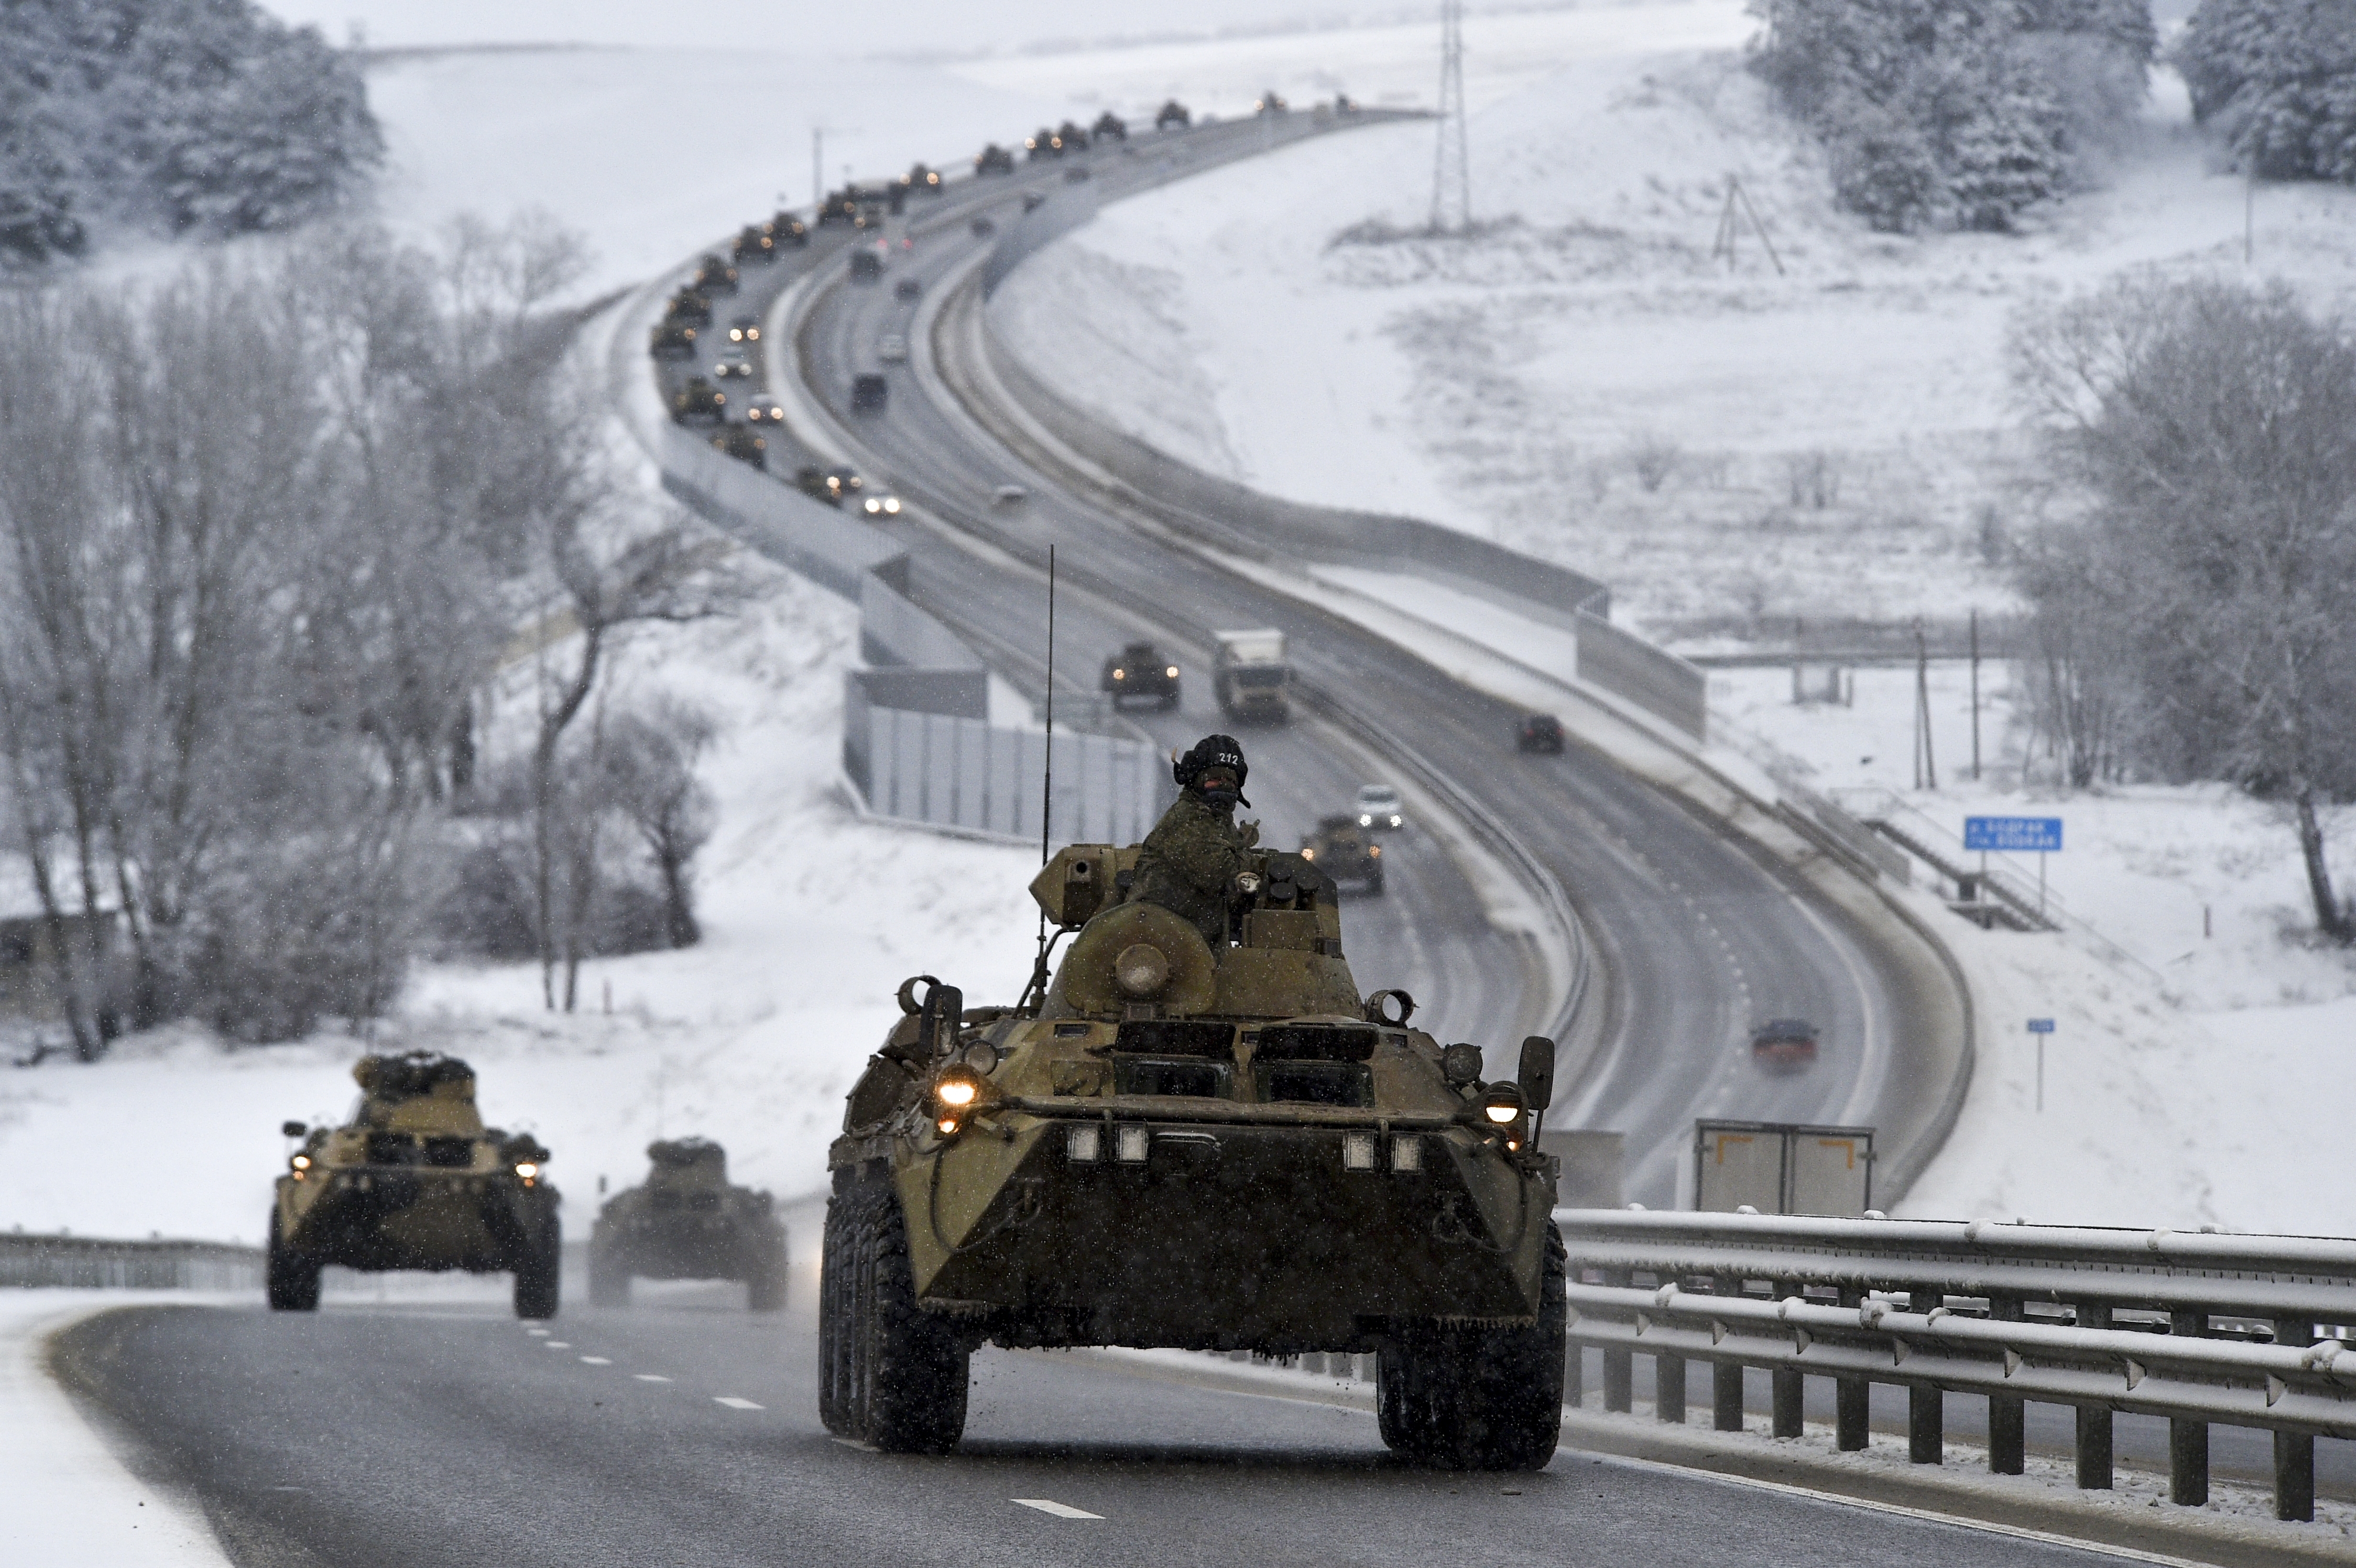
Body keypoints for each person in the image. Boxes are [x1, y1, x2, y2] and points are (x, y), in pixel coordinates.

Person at [1128, 734, 1261, 948]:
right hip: (1158, 940)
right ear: (1197, 781)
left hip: (1190, 940)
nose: (1223, 785)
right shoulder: (1190, 818)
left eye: (1230, 781)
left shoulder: (1217, 820)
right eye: (1215, 778)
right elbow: (1221, 873)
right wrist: (1247, 860)